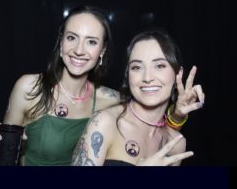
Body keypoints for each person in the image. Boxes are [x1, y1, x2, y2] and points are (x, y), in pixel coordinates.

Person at [0, 7, 200, 165]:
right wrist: (0, 142)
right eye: (72, 38)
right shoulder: (30, 88)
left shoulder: (111, 99)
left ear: (102, 51)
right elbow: (6, 154)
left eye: (91, 42)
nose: (79, 50)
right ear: (61, 43)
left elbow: (150, 122)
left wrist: (178, 114)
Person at [72, 31, 203, 165]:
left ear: (178, 74)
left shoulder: (176, 143)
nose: (147, 78)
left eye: (159, 66)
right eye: (137, 67)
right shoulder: (105, 123)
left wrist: (178, 116)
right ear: (128, 75)